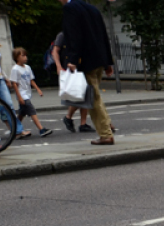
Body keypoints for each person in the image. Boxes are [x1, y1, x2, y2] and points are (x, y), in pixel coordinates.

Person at [58, 0, 115, 145]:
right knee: (95, 96)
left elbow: (74, 35)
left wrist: (73, 59)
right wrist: (108, 61)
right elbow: (103, 35)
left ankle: (105, 134)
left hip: (86, 61)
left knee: (92, 99)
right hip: (99, 59)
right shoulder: (92, 8)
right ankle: (107, 124)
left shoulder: (70, 8)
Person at [50, 32, 92, 133]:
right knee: (79, 94)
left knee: (86, 94)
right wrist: (58, 66)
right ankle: (69, 117)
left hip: (82, 66)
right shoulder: (63, 35)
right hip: (70, 68)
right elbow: (55, 51)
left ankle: (82, 123)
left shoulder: (81, 34)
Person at [8, 47, 53, 138]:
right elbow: (14, 84)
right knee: (31, 110)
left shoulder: (28, 67)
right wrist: (19, 97)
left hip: (27, 93)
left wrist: (38, 89)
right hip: (22, 94)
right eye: (23, 56)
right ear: (17, 57)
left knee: (22, 113)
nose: (26, 57)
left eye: (26, 55)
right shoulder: (15, 69)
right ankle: (41, 129)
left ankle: (15, 129)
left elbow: (31, 80)